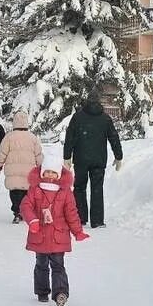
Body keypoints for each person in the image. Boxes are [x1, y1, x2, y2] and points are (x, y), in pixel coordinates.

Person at [21, 151, 89, 306]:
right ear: (42, 172)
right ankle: (42, 291)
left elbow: (71, 213)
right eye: (47, 172)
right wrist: (32, 221)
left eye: (54, 172)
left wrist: (77, 231)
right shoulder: (35, 189)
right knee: (41, 264)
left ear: (59, 174)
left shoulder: (65, 192)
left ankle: (60, 293)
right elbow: (26, 206)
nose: (50, 175)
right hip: (40, 235)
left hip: (59, 235)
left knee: (58, 265)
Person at [63, 90, 123, 228]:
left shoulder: (77, 118)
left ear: (86, 101)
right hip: (99, 159)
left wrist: (67, 156)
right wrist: (118, 156)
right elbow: (114, 137)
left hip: (81, 159)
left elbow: (69, 138)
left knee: (79, 188)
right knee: (97, 189)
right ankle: (97, 221)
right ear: (99, 102)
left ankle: (80, 217)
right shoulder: (105, 119)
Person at [0, 111, 43, 223]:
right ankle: (26, 211)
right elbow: (38, 154)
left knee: (15, 192)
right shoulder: (32, 138)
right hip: (28, 172)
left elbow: (2, 152)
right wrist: (41, 166)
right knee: (27, 193)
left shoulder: (9, 137)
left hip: (13, 172)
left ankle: (17, 211)